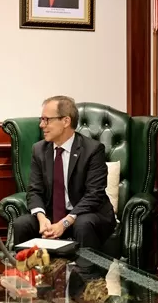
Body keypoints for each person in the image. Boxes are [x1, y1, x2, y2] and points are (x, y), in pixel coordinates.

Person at [12, 96, 116, 251]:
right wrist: (42, 218)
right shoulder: (39, 150)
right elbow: (34, 191)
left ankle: (86, 273)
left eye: (47, 120)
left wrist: (65, 223)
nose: (41, 125)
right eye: (42, 119)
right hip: (52, 214)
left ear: (66, 121)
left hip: (87, 213)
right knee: (22, 224)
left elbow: (94, 195)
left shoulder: (92, 150)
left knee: (83, 224)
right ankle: (28, 272)